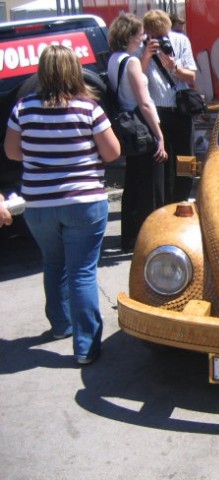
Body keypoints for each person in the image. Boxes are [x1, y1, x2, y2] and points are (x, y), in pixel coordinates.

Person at [4, 45, 121, 365]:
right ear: (74, 70)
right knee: (82, 271)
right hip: (84, 202)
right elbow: (112, 152)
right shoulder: (89, 108)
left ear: (42, 72)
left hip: (39, 204)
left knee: (53, 263)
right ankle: (85, 347)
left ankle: (61, 325)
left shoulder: (23, 108)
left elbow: (12, 152)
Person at [108, 13, 168, 252]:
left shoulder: (114, 59)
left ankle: (131, 238)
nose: (143, 38)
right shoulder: (131, 61)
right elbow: (144, 102)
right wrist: (160, 136)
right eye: (140, 34)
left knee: (133, 184)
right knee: (150, 186)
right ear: (130, 36)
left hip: (127, 126)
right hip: (142, 125)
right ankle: (150, 238)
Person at [141, 9, 197, 204]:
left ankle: (183, 198)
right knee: (162, 159)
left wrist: (174, 67)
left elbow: (191, 76)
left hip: (180, 109)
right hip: (157, 111)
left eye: (162, 34)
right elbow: (137, 79)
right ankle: (163, 202)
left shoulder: (180, 41)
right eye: (154, 35)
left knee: (185, 158)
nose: (159, 39)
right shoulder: (142, 45)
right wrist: (146, 56)